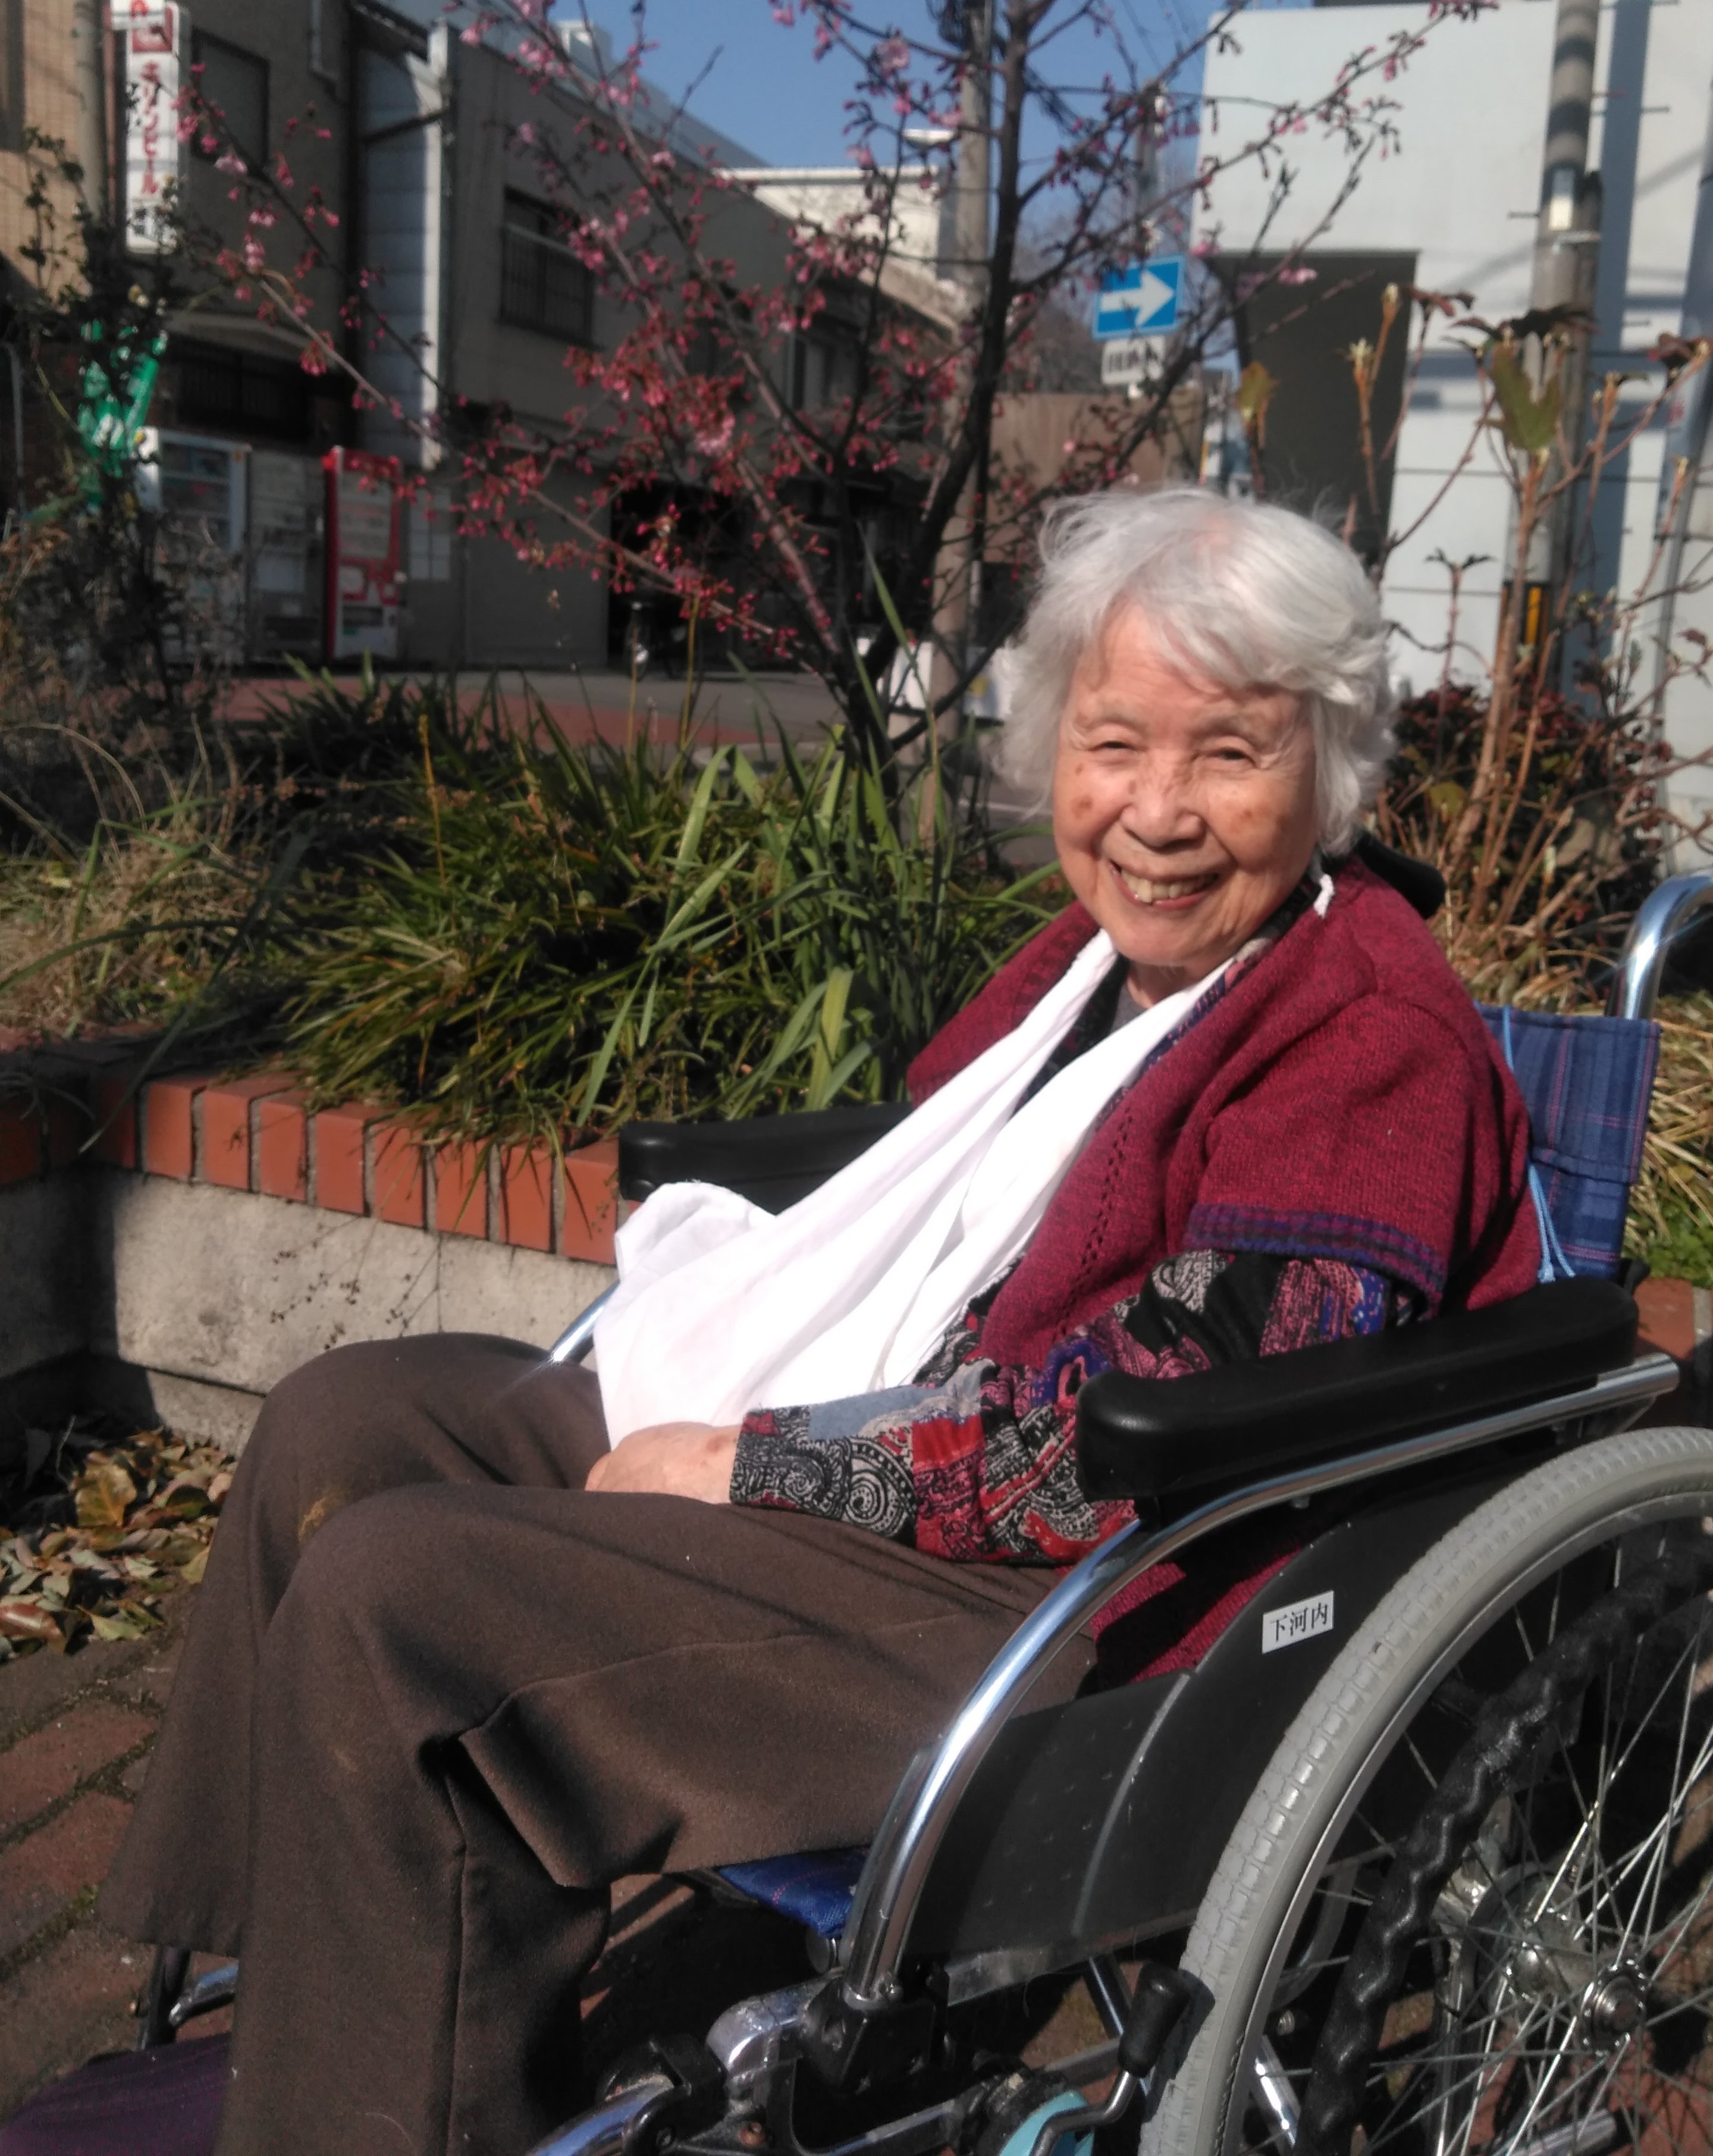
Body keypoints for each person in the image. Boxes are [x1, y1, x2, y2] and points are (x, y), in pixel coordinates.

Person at [95, 489, 1541, 2156]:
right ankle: (307, 1999)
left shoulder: (1364, 1030)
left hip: (1086, 1612)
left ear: (1331, 766)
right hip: (907, 1447)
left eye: (1228, 754)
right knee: (347, 1426)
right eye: (1114, 743)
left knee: (398, 1593)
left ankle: (370, 2119)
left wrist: (762, 1464)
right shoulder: (1087, 969)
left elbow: (1166, 1421)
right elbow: (928, 1206)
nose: (1155, 813)